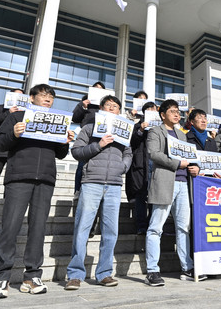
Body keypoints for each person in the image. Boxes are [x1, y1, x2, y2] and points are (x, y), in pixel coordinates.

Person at [0, 84, 74, 300]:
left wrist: (65, 142)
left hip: (45, 179)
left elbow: (61, 154)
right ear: (32, 98)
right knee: (10, 227)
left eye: (51, 97)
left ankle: (32, 276)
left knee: (38, 228)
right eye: (44, 96)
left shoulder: (57, 120)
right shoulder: (17, 117)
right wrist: (13, 133)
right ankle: (1, 277)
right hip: (18, 177)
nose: (48, 99)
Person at [65, 95, 133, 290]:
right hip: (91, 182)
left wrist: (123, 167)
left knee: (111, 231)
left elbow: (128, 153)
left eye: (116, 107)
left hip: (113, 184)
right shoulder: (89, 129)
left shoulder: (124, 133)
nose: (113, 109)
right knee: (82, 229)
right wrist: (98, 145)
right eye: (109, 106)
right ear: (101, 109)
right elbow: (76, 152)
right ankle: (75, 274)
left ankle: (104, 273)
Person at [145, 100, 205, 287]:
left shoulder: (182, 134)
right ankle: (152, 270)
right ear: (163, 115)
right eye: (172, 111)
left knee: (183, 228)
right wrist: (177, 164)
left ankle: (187, 267)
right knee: (156, 227)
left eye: (178, 112)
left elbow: (189, 158)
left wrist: (194, 167)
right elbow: (153, 153)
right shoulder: (156, 131)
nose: (177, 114)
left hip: (182, 184)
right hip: (165, 182)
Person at [127, 101, 158, 234]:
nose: (154, 111)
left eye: (155, 109)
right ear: (145, 112)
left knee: (154, 196)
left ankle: (152, 225)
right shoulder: (137, 125)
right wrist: (140, 130)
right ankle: (141, 226)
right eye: (151, 109)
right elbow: (131, 142)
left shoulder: (160, 127)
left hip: (155, 164)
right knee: (140, 196)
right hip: (140, 165)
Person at [72, 81, 105, 196]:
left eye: (100, 89)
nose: (98, 90)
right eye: (95, 88)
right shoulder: (85, 103)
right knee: (82, 163)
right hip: (87, 136)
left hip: (101, 137)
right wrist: (83, 107)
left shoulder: (105, 106)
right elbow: (75, 118)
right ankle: (77, 189)